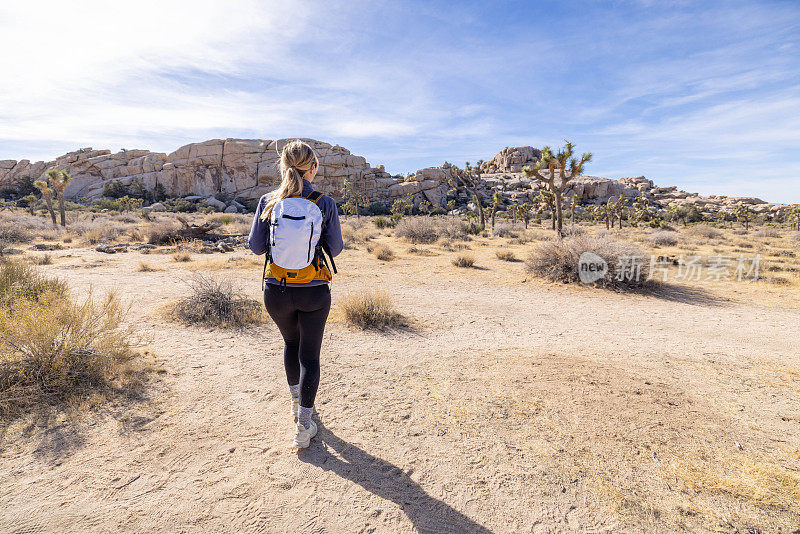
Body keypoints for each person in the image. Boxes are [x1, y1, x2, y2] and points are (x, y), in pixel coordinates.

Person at [248, 140, 343, 448]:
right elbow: (337, 248)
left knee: (291, 343)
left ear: (283, 167)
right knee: (310, 357)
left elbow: (256, 247)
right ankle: (304, 424)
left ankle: (294, 403)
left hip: (277, 289)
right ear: (312, 167)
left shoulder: (268, 201)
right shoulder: (324, 202)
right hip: (314, 290)